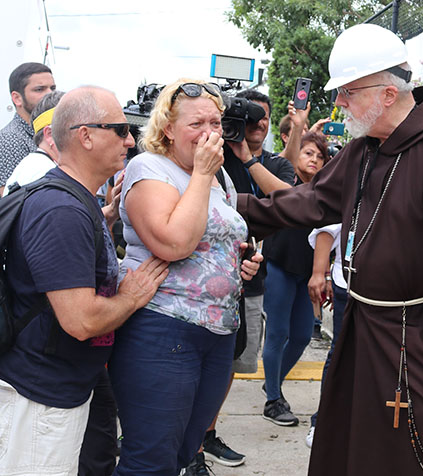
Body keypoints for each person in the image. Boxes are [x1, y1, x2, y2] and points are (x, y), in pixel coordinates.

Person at [236, 23, 423, 476]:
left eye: (347, 92)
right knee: (350, 450)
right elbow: (313, 200)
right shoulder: (366, 148)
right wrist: (231, 207)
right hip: (361, 327)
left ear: (387, 94)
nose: (338, 103)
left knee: (403, 458)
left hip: (414, 343)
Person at [0, 86, 169, 476]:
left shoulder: (76, 200)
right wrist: (131, 296)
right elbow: (81, 321)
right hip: (40, 396)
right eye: (119, 128)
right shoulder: (61, 209)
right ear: (85, 135)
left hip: (57, 388)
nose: (130, 139)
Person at [107, 79, 262, 476]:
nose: (210, 132)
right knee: (149, 458)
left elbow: (214, 238)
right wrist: (201, 175)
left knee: (183, 452)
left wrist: (241, 261)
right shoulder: (149, 168)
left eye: (216, 121)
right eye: (196, 124)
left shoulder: (219, 178)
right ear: (167, 129)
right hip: (163, 329)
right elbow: (173, 243)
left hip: (218, 333)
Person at [185, 89, 295, 475]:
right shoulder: (198, 158)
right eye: (247, 120)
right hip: (194, 291)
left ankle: (206, 433)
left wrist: (246, 158)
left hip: (249, 277)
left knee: (228, 363)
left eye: (261, 118)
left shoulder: (274, 164)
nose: (256, 125)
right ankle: (190, 447)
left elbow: (287, 198)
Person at [261, 132, 329, 426]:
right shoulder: (285, 181)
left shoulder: (326, 191)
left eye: (319, 156)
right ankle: (273, 399)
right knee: (277, 333)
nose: (314, 160)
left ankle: (272, 382)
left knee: (301, 335)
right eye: (308, 153)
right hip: (278, 266)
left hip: (306, 274)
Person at [306, 223, 347, 447]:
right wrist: (321, 274)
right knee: (339, 353)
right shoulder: (349, 187)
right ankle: (321, 422)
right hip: (348, 283)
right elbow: (328, 228)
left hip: (390, 284)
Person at [0, 62, 56, 194]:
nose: (49, 94)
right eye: (39, 89)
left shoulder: (41, 133)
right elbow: (9, 199)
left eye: (52, 88)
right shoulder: (10, 140)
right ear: (17, 98)